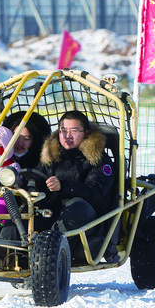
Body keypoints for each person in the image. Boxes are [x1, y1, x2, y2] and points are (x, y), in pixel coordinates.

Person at [37, 110, 118, 263]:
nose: (68, 136)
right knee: (25, 206)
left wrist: (64, 186)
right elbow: (35, 178)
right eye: (64, 130)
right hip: (54, 213)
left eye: (74, 131)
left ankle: (46, 252)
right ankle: (8, 251)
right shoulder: (50, 157)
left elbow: (96, 193)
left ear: (86, 133)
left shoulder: (99, 160)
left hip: (89, 219)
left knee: (77, 207)